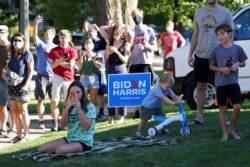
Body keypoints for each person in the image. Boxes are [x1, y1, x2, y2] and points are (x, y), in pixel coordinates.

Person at [187, 0, 234, 125]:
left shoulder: (225, 13)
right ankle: (199, 117)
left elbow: (231, 36)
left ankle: (225, 118)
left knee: (222, 87)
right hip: (201, 55)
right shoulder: (199, 12)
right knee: (200, 86)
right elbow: (196, 35)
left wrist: (230, 53)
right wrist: (190, 54)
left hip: (219, 55)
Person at [209, 24, 247, 141]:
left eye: (222, 34)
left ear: (230, 34)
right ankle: (224, 133)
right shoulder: (216, 51)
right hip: (221, 84)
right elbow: (211, 66)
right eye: (217, 35)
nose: (219, 37)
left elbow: (243, 62)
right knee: (222, 108)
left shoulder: (237, 49)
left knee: (237, 106)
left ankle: (231, 129)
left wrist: (237, 64)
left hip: (233, 83)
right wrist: (221, 69)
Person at [37, 81, 96, 154]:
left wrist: (79, 110)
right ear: (69, 94)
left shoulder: (90, 106)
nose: (76, 95)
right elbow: (62, 125)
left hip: (84, 141)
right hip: (69, 138)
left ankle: (65, 148)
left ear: (83, 93)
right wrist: (67, 108)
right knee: (41, 149)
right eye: (72, 93)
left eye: (78, 92)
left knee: (60, 150)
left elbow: (87, 127)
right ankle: (65, 148)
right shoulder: (68, 106)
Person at [129, 8, 158, 119]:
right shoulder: (131, 31)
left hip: (146, 62)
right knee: (135, 88)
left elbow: (155, 47)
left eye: (137, 15)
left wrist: (147, 45)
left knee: (146, 88)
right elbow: (127, 47)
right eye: (134, 16)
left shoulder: (149, 30)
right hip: (134, 63)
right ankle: (137, 111)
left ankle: (147, 109)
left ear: (142, 15)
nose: (136, 17)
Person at [135, 73, 184, 137]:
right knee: (144, 120)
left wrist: (179, 101)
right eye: (167, 87)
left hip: (157, 107)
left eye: (170, 87)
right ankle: (139, 132)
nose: (168, 88)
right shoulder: (156, 89)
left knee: (162, 117)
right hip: (147, 107)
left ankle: (163, 128)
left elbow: (173, 95)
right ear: (161, 82)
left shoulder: (167, 89)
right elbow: (163, 97)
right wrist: (172, 103)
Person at [7, 32, 34, 143]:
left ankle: (26, 135)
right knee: (15, 111)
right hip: (12, 86)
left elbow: (31, 71)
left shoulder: (27, 54)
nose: (16, 42)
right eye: (15, 40)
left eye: (19, 40)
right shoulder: (11, 55)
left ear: (24, 42)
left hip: (23, 87)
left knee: (23, 111)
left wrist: (26, 85)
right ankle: (18, 135)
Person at [48, 29, 77, 131]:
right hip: (57, 77)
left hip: (69, 78)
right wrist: (59, 61)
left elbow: (70, 66)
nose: (64, 39)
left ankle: (65, 122)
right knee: (55, 101)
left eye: (66, 37)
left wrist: (58, 62)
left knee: (67, 102)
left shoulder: (72, 51)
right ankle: (55, 122)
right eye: (62, 37)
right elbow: (51, 66)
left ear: (69, 38)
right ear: (59, 38)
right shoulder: (54, 51)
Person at [33, 14, 57, 129]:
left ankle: (54, 120)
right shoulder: (40, 45)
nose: (48, 33)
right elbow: (35, 36)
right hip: (41, 76)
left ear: (53, 35)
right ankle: (41, 121)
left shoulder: (56, 48)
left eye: (50, 32)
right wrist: (36, 24)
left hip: (54, 76)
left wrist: (50, 51)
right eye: (46, 32)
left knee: (54, 101)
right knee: (40, 99)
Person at [105, 25, 130, 124]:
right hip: (111, 68)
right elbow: (105, 59)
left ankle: (121, 116)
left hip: (121, 69)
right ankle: (110, 117)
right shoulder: (109, 43)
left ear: (122, 33)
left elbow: (125, 60)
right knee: (111, 94)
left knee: (121, 92)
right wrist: (108, 53)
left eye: (118, 33)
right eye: (114, 33)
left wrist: (117, 52)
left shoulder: (126, 44)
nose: (116, 35)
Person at [82, 23, 107, 120]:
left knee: (100, 93)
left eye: (93, 31)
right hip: (88, 72)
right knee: (86, 93)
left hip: (99, 70)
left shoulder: (101, 41)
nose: (91, 33)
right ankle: (87, 112)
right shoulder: (86, 42)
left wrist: (99, 31)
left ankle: (101, 112)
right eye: (89, 31)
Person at [77, 37, 102, 113]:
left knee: (93, 100)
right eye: (86, 43)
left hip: (94, 78)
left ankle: (92, 115)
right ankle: (82, 115)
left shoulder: (97, 54)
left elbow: (99, 66)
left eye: (90, 43)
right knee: (82, 99)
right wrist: (80, 57)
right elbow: (80, 67)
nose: (88, 44)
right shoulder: (82, 54)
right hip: (84, 78)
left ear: (93, 45)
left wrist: (92, 57)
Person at [0, 25, 13, 138]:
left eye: (2, 31)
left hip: (9, 81)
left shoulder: (12, 47)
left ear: (7, 33)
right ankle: (3, 128)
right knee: (1, 106)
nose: (0, 33)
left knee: (13, 105)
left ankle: (13, 128)